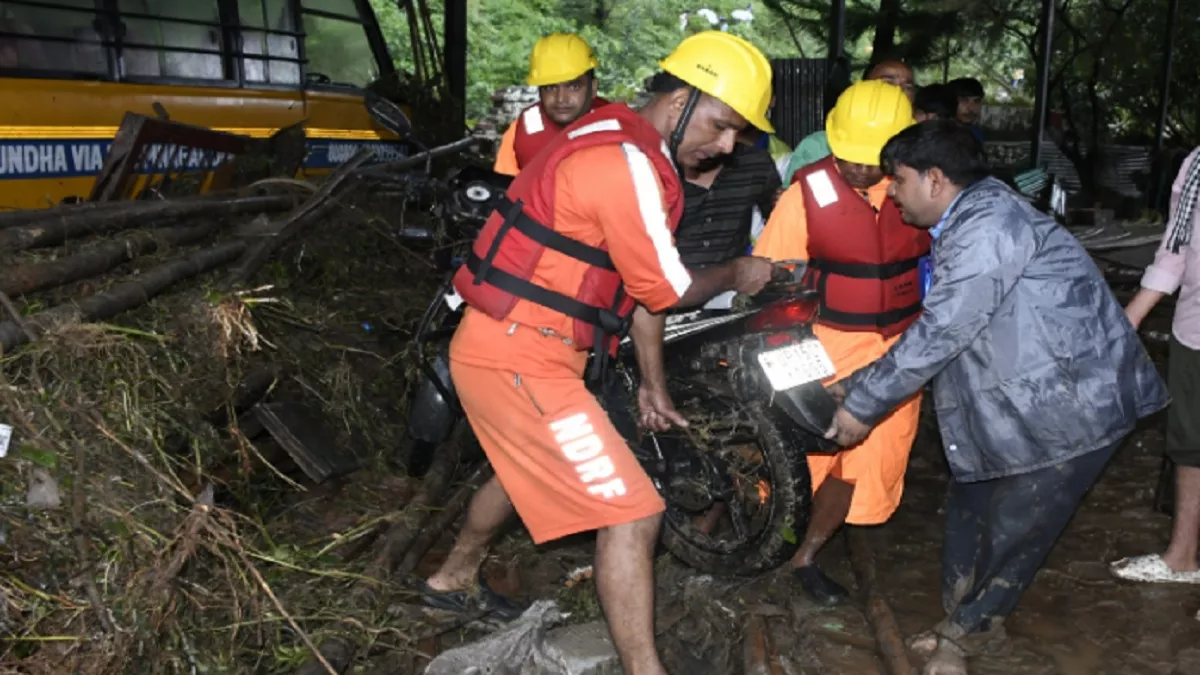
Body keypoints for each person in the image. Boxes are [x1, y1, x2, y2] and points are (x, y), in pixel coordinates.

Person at [420, 31, 778, 675]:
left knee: (517, 469)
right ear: (680, 100)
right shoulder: (629, 166)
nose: (726, 146)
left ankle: (452, 579)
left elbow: (639, 294)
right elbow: (668, 288)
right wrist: (736, 272)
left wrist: (652, 386)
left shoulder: (618, 141)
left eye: (738, 136)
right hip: (519, 354)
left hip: (515, 348)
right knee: (634, 511)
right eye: (722, 126)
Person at [825, 120, 1168, 675]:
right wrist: (864, 381)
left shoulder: (989, 226)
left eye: (899, 179)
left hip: (1072, 405)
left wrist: (862, 405)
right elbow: (949, 327)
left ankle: (968, 635)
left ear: (935, 179)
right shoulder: (973, 217)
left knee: (1016, 530)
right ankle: (961, 622)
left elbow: (943, 330)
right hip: (1027, 395)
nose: (890, 191)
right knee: (972, 511)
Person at [753, 79, 927, 606]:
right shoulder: (804, 194)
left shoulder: (923, 191)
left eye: (871, 161)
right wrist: (779, 358)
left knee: (867, 461)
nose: (857, 170)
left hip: (900, 350)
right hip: (821, 344)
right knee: (803, 460)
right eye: (847, 157)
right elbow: (769, 280)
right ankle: (769, 545)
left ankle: (806, 556)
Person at [1111, 146, 1200, 585]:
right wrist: (1134, 315)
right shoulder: (1197, 163)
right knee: (1190, 444)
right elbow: (1176, 245)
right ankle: (1182, 557)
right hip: (1195, 327)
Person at [493, 33, 610, 176]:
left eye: (574, 87)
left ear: (593, 88)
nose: (561, 98)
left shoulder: (620, 127)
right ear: (539, 90)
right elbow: (504, 188)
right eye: (550, 87)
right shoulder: (518, 131)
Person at [781, 59, 915, 183]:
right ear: (863, 86)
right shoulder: (816, 147)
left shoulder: (920, 147)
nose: (899, 91)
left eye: (908, 87)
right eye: (888, 83)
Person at [947, 77, 985, 142]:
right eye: (964, 100)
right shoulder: (938, 135)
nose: (971, 108)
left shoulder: (976, 133)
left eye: (977, 101)